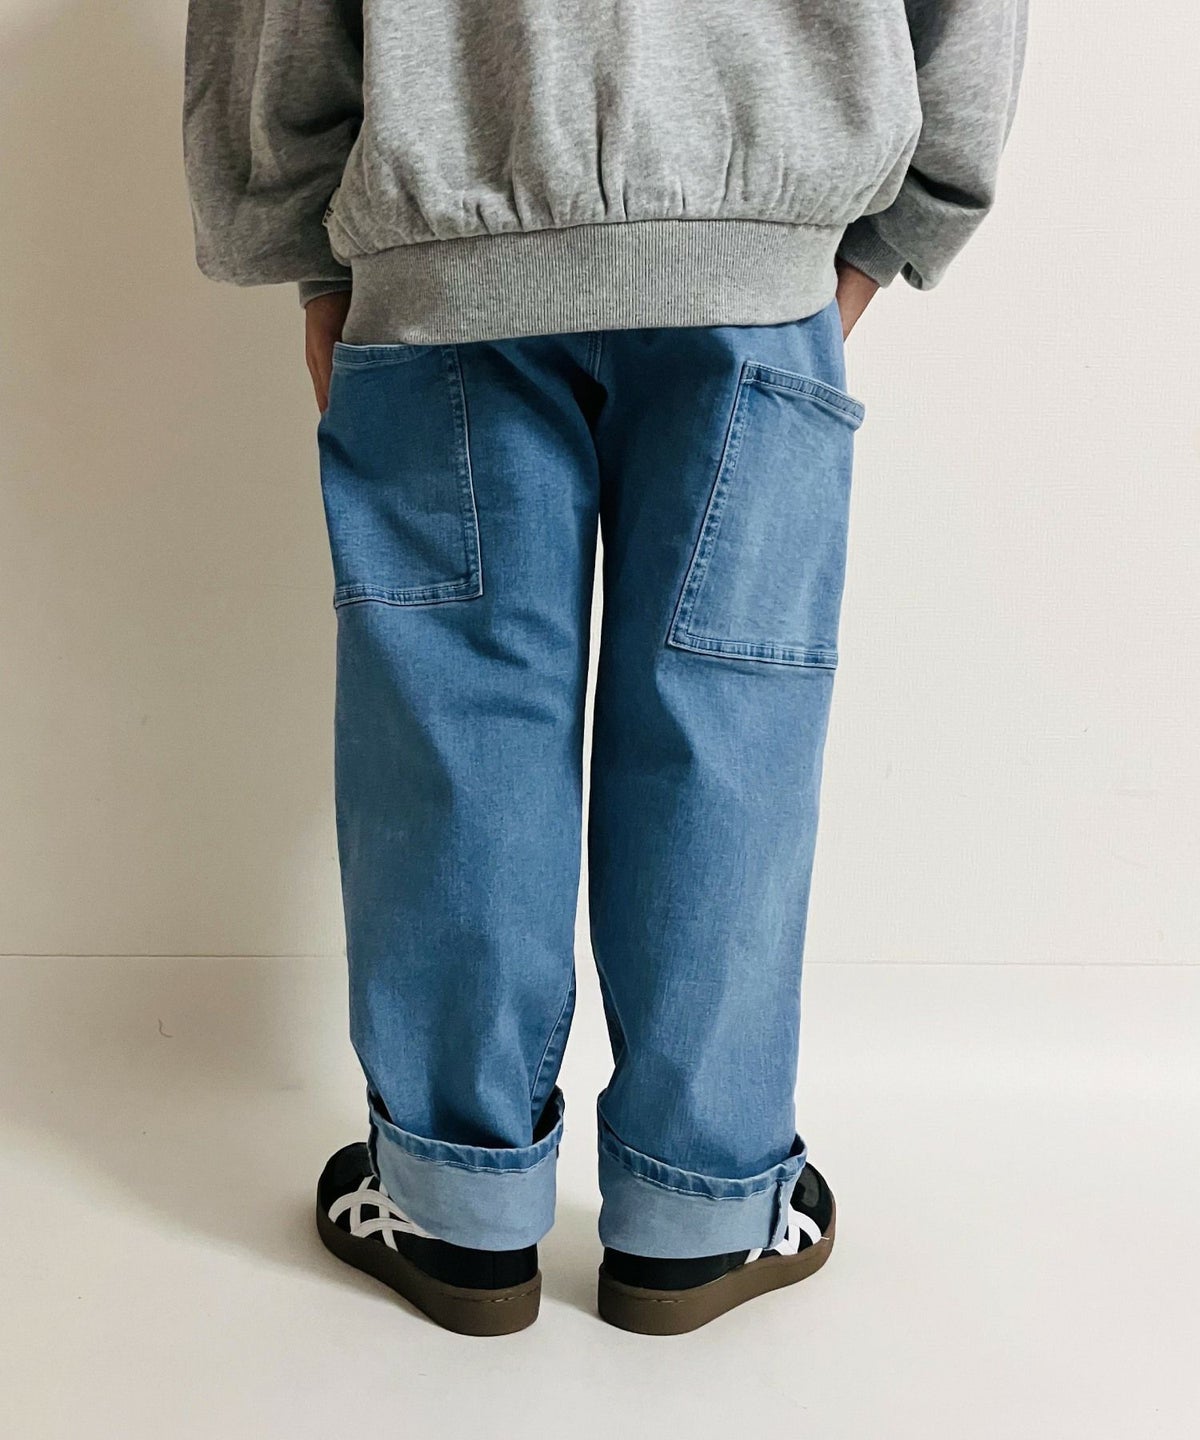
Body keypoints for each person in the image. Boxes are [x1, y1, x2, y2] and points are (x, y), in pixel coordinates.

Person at [184, 0, 1026, 1336]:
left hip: (446, 252)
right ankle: (704, 1215)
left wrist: (308, 251)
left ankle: (453, 1210)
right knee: (725, 729)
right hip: (756, 268)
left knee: (458, 729)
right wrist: (887, 232)